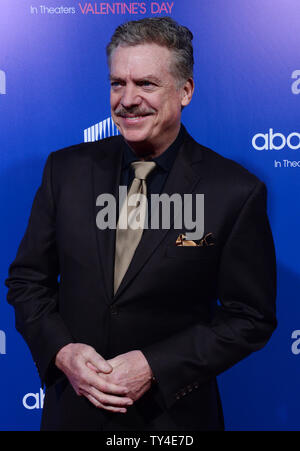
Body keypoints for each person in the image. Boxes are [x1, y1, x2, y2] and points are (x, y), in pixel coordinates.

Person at [5, 17, 277, 431]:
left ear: (184, 91)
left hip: (172, 420)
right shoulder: (66, 170)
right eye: (118, 83)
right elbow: (27, 281)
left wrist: (155, 365)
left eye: (146, 84)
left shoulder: (234, 191)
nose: (127, 99)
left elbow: (250, 317)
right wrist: (61, 352)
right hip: (73, 414)